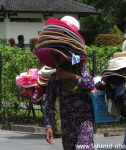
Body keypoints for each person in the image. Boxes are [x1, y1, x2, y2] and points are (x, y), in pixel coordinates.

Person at [33, 16, 94, 150]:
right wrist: (48, 125)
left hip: (84, 120)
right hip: (67, 124)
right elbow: (49, 102)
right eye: (53, 55)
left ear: (66, 53)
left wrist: (71, 76)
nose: (55, 57)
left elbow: (90, 84)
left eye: (58, 54)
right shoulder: (54, 77)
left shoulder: (79, 68)